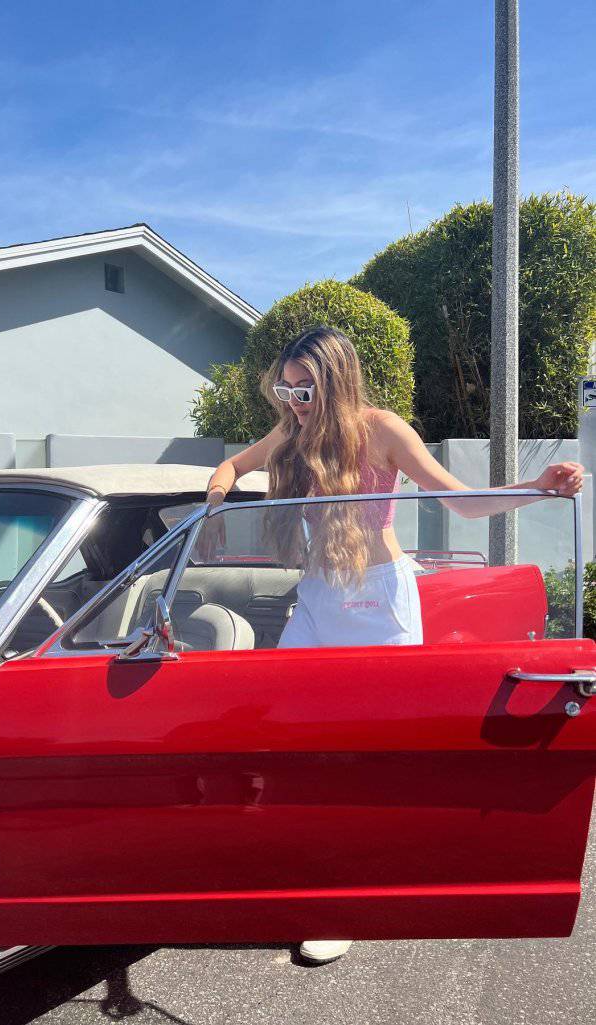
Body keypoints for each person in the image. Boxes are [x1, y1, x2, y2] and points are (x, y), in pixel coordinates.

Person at [204, 324, 584, 965]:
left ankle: (348, 902)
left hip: (378, 600)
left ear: (336, 380)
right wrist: (216, 498)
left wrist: (538, 486)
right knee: (286, 729)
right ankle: (302, 867)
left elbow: (462, 504)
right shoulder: (294, 431)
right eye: (286, 390)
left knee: (366, 756)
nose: (295, 402)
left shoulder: (382, 430)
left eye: (305, 389)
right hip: (317, 595)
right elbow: (236, 464)